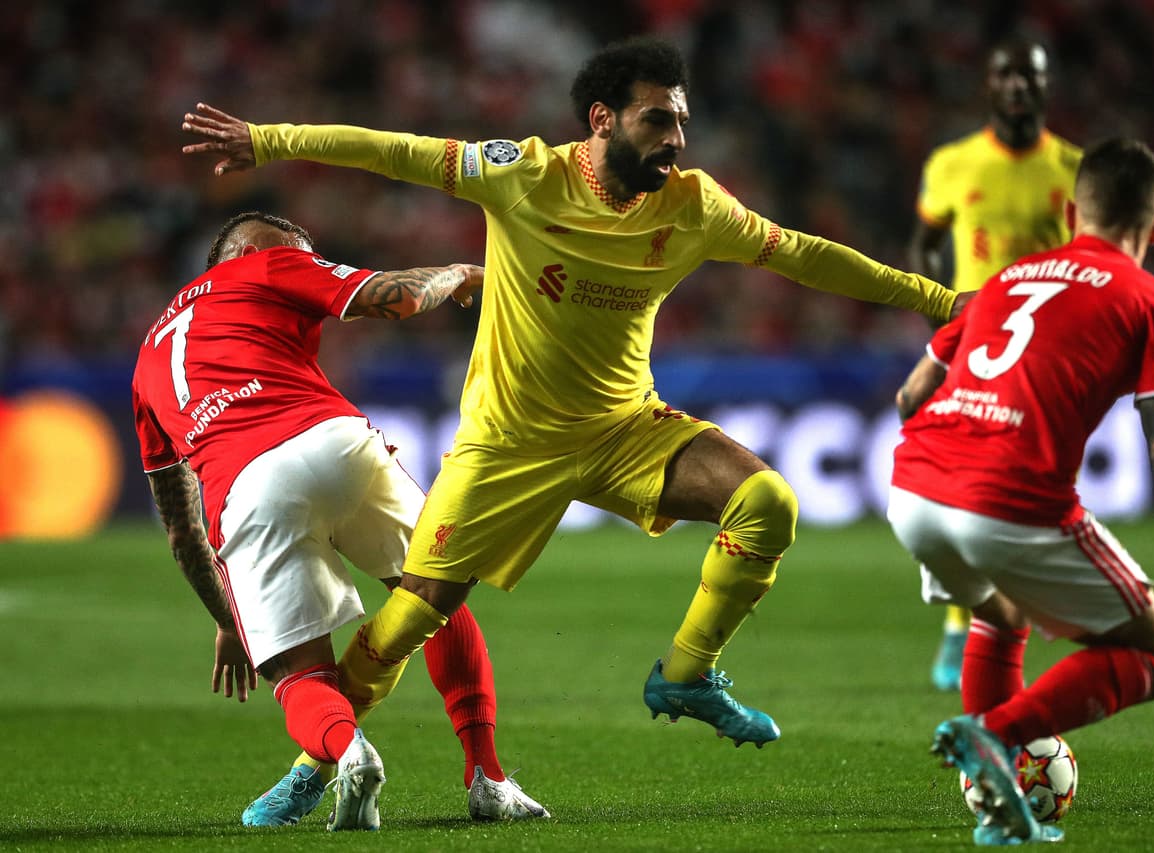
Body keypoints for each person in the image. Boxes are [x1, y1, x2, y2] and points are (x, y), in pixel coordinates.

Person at [180, 36, 967, 749]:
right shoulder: (522, 175)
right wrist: (269, 140)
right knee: (415, 611)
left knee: (767, 503)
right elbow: (395, 152)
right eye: (657, 120)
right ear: (602, 119)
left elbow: (804, 254)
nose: (676, 138)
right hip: (509, 441)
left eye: (681, 121)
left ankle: (687, 673)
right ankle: (320, 764)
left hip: (625, 428)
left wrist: (940, 301)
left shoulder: (694, 205)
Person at [133, 212, 548, 830]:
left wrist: (227, 620)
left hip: (246, 490)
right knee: (434, 597)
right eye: (300, 253)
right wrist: (460, 272)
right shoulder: (266, 265)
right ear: (245, 253)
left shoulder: (146, 361)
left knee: (301, 679)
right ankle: (488, 778)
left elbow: (182, 529)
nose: (307, 264)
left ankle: (349, 752)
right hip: (336, 443)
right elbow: (398, 297)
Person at [887, 138, 1154, 845]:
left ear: (1071, 213)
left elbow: (911, 395)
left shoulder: (1005, 280)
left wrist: (954, 456)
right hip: (1005, 500)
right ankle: (994, 736)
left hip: (914, 489)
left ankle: (998, 812)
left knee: (1002, 611)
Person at [906, 38, 1083, 692]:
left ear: (1045, 84)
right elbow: (924, 246)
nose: (1017, 87)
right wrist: (944, 324)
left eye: (1028, 76)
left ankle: (992, 622)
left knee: (1023, 493)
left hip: (1048, 354)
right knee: (966, 486)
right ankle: (965, 623)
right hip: (974, 348)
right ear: (989, 84)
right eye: (1006, 75)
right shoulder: (953, 163)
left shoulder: (1073, 169)